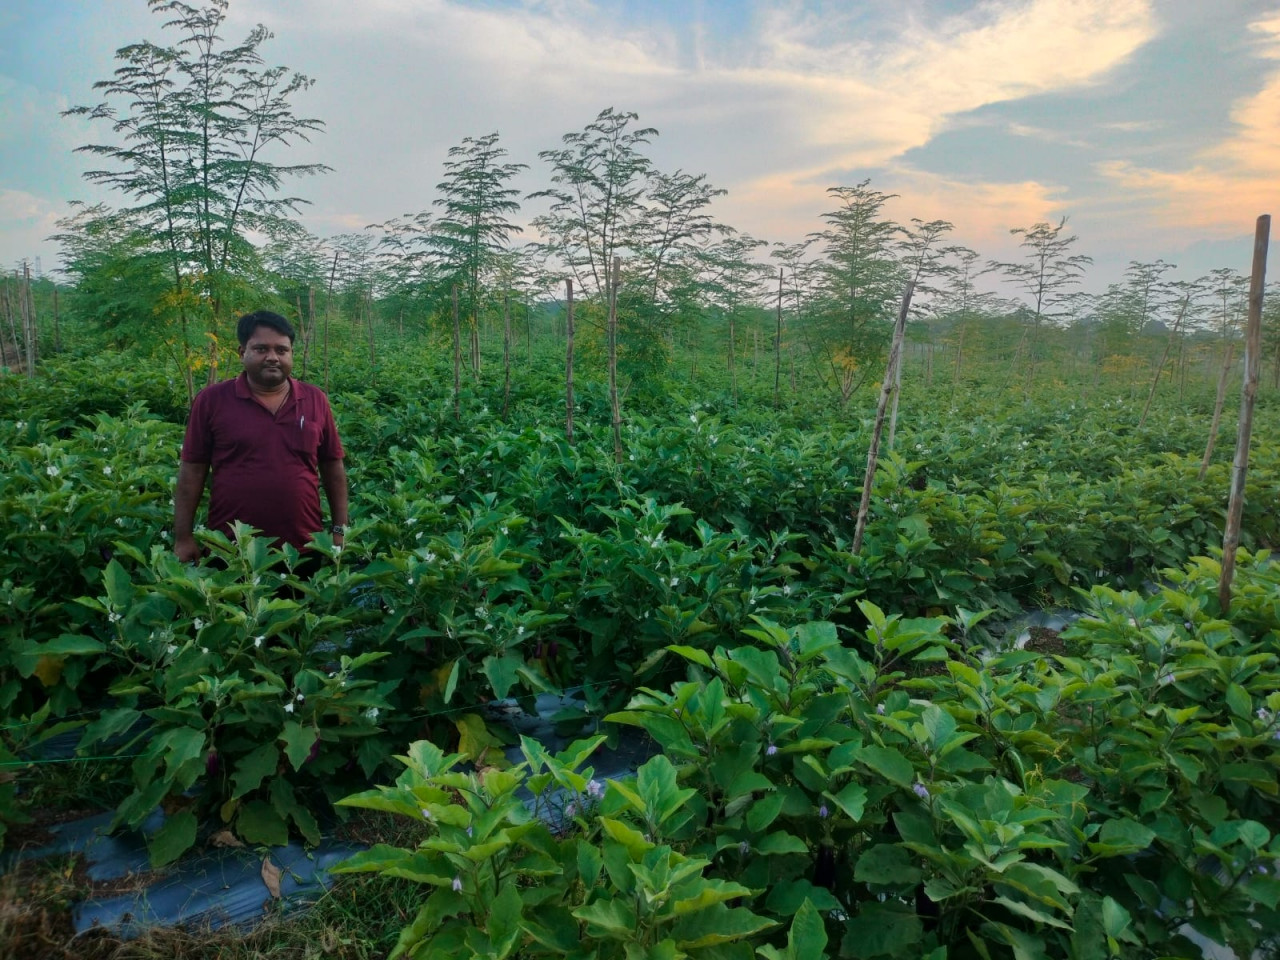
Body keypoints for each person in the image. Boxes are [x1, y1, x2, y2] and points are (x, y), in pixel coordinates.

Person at [174, 310, 348, 568]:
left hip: (303, 547)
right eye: (261, 349)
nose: (273, 358)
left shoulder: (314, 399)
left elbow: (333, 467)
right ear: (241, 351)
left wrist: (339, 530)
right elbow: (192, 471)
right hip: (231, 549)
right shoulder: (212, 400)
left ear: (291, 353)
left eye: (281, 350)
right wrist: (183, 537)